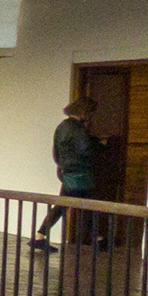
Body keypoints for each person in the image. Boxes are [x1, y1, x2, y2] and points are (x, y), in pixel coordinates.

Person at [30, 97, 105, 252]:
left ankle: (40, 237)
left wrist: (62, 165)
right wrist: (100, 145)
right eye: (91, 112)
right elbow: (86, 150)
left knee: (72, 205)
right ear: (85, 112)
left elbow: (56, 151)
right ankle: (97, 239)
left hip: (66, 171)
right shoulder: (78, 129)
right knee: (85, 205)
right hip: (79, 173)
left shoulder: (62, 127)